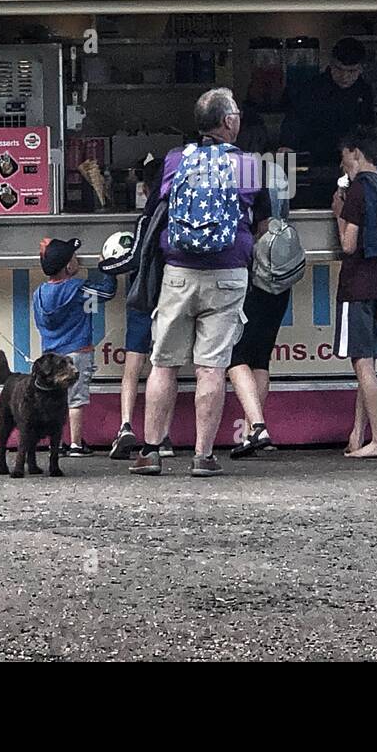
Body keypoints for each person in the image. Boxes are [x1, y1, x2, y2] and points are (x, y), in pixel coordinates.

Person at [133, 87, 271, 478]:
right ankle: (203, 455)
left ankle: (151, 451)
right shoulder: (247, 165)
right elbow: (261, 226)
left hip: (178, 273)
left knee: (164, 364)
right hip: (228, 275)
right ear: (229, 122)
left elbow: (152, 214)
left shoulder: (174, 161)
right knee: (211, 368)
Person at [331, 126, 377, 459]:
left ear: (356, 154)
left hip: (357, 284)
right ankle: (357, 433)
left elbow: (348, 244)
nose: (343, 165)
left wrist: (338, 213)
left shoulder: (359, 191)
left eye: (345, 157)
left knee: (361, 362)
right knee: (370, 362)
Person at [105, 157, 175, 461]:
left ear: (145, 188)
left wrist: (105, 266)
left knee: (132, 369)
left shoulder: (147, 218)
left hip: (142, 299)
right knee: (164, 369)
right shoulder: (179, 213)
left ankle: (125, 425)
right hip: (172, 298)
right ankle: (163, 435)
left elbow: (132, 260)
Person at [226, 156, 293, 458]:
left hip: (250, 279)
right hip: (278, 282)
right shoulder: (273, 186)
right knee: (260, 359)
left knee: (233, 353)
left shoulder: (234, 190)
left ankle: (257, 426)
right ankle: (256, 429)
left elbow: (256, 233)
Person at [32, 236, 116, 456]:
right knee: (76, 399)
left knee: (55, 399)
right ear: (69, 266)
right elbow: (106, 292)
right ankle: (76, 444)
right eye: (75, 258)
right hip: (77, 352)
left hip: (51, 355)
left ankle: (57, 443)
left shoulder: (38, 294)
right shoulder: (77, 290)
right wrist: (109, 267)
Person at [279, 36, 375, 206]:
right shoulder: (312, 89)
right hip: (313, 164)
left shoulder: (364, 92)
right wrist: (287, 145)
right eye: (339, 70)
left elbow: (367, 130)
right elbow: (294, 121)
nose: (345, 76)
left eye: (351, 71)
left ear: (361, 69)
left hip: (350, 164)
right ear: (330, 64)